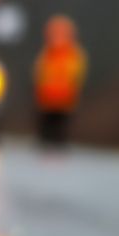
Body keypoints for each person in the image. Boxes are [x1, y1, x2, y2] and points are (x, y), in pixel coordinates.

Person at [34, 14, 87, 147]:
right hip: (47, 97)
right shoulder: (47, 53)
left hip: (64, 97)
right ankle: (46, 141)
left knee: (61, 123)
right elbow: (39, 73)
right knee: (47, 122)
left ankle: (59, 142)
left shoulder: (73, 54)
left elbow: (77, 75)